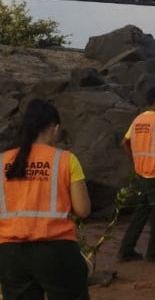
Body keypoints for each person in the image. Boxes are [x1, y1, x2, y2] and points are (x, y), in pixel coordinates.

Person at [0, 99, 92, 300]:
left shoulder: (2, 160)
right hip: (57, 249)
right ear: (54, 128)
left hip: (10, 253)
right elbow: (83, 209)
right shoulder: (66, 159)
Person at [118, 86, 155, 263]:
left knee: (140, 212)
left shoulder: (138, 120)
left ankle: (126, 249)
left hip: (141, 173)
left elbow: (123, 143)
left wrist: (135, 160)